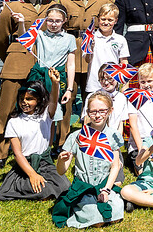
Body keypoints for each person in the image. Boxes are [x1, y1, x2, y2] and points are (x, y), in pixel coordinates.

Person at [0, 0, 55, 169]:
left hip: (44, 61)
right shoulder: (14, 6)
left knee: (42, 106)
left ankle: (40, 147)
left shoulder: (52, 5)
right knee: (7, 108)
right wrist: (10, 56)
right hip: (17, 62)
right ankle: (0, 152)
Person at [0, 68, 71, 201]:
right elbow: (18, 153)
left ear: (39, 100)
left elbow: (53, 101)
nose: (25, 102)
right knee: (44, 190)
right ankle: (24, 185)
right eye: (22, 99)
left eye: (30, 99)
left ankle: (42, 185)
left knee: (65, 186)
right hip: (26, 166)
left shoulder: (45, 115)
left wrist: (55, 84)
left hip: (45, 163)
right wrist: (32, 175)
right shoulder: (14, 122)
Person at [53, 92, 125, 228]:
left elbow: (115, 167)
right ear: (87, 112)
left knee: (116, 214)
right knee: (96, 220)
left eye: (102, 111)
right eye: (93, 112)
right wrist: (62, 161)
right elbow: (61, 171)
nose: (97, 115)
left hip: (105, 185)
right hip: (84, 187)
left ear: (110, 111)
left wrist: (106, 190)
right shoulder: (77, 136)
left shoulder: (113, 135)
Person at [61, 0, 111, 143]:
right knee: (68, 97)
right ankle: (63, 139)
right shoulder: (66, 1)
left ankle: (91, 136)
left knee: (93, 97)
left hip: (94, 53)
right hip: (72, 51)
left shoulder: (103, 1)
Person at [30, 4, 76, 143]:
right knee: (35, 110)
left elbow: (71, 64)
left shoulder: (69, 39)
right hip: (39, 77)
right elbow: (23, 37)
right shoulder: (40, 35)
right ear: (45, 20)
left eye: (57, 21)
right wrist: (20, 23)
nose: (53, 24)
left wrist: (69, 89)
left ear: (64, 21)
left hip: (56, 79)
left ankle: (48, 146)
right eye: (50, 20)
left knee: (52, 112)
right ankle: (35, 144)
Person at [84, 63, 141, 152]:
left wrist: (117, 143)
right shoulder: (93, 96)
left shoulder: (121, 98)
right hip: (95, 139)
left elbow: (120, 123)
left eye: (110, 78)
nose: (106, 82)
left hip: (113, 140)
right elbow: (87, 120)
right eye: (102, 79)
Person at [84, 3, 129, 102]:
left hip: (112, 83)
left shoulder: (120, 39)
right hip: (94, 84)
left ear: (116, 21)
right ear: (98, 19)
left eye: (110, 20)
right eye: (103, 19)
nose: (106, 22)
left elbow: (124, 62)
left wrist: (125, 84)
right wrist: (90, 49)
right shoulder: (91, 37)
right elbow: (87, 60)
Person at [128, 63, 153, 173]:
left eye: (149, 81)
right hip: (139, 143)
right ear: (138, 81)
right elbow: (133, 126)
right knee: (143, 171)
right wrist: (141, 149)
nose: (146, 85)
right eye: (143, 82)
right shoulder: (134, 98)